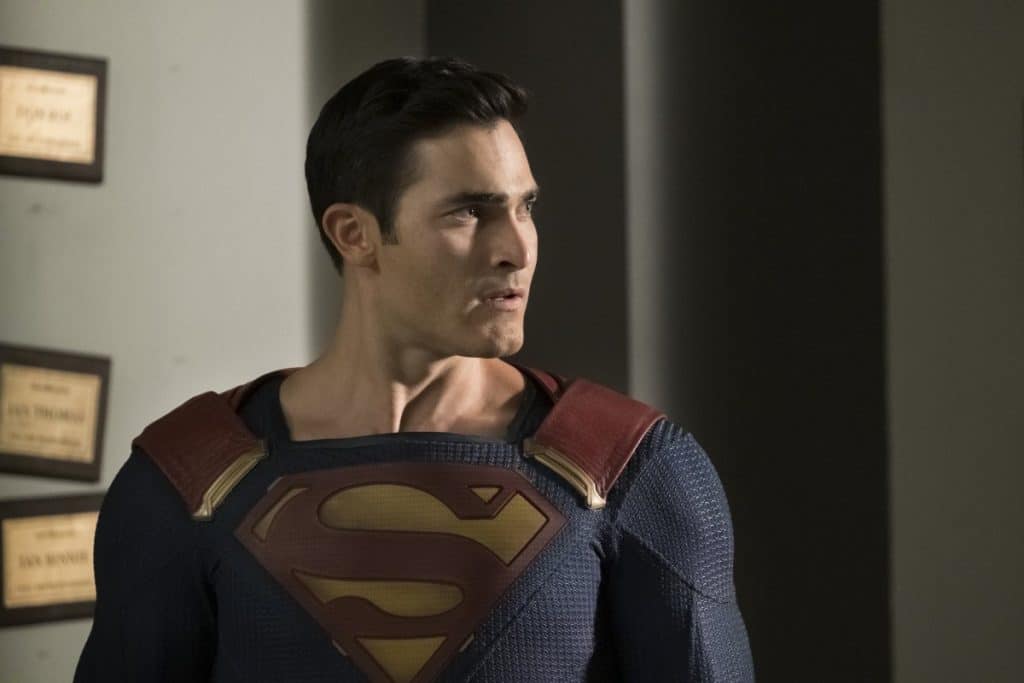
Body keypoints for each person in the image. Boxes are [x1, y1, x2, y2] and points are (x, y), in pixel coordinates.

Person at [74, 56, 754, 682]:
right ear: (355, 234)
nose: (517, 249)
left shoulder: (634, 470)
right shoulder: (188, 480)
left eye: (525, 207)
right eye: (469, 212)